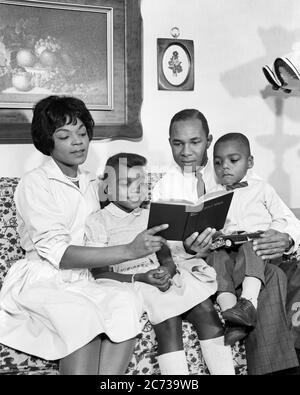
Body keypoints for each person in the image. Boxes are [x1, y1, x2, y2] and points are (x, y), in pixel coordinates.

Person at [0, 95, 169, 375]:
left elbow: (127, 208)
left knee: (126, 302)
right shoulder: (35, 184)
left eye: (82, 133)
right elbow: (60, 255)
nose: (78, 142)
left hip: (86, 278)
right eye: (65, 136)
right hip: (45, 277)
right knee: (83, 315)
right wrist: (130, 250)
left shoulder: (94, 181)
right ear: (48, 141)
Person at [152, 108, 299, 375]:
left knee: (273, 272)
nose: (186, 151)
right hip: (201, 264)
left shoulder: (232, 168)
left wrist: (285, 238)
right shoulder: (164, 187)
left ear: (208, 140)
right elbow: (161, 242)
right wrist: (189, 249)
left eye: (195, 142)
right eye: (177, 143)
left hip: (243, 255)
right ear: (169, 142)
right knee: (273, 275)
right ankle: (271, 362)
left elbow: (284, 219)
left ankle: (245, 329)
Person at [85, 152, 236, 375]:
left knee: (206, 309)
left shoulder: (150, 215)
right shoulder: (98, 221)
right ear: (107, 187)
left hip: (160, 274)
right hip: (132, 282)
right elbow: (99, 274)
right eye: (127, 183)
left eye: (141, 182)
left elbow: (165, 255)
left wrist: (167, 268)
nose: (136, 188)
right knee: (168, 319)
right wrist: (142, 277)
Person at [207, 132, 300, 345]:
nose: (225, 167)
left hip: (257, 246)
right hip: (229, 248)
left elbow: (284, 219)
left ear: (249, 162)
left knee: (253, 246)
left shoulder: (262, 189)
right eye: (218, 162)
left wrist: (271, 233)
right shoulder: (213, 195)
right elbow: (211, 227)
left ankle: (248, 303)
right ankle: (233, 317)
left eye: (233, 160)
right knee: (216, 258)